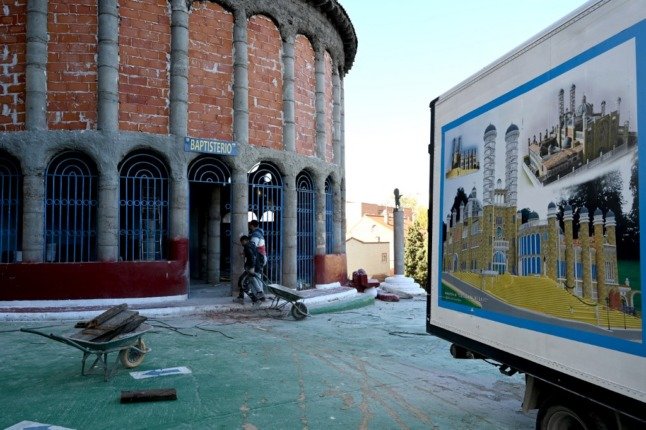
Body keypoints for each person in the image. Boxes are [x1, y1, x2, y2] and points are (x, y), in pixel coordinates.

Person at [235, 235, 265, 304]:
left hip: (251, 268)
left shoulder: (247, 246)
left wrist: (252, 268)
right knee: (243, 280)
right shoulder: (252, 244)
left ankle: (255, 300)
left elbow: (253, 257)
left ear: (244, 241)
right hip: (254, 267)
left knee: (243, 283)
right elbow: (252, 254)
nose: (241, 244)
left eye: (242, 242)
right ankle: (241, 297)